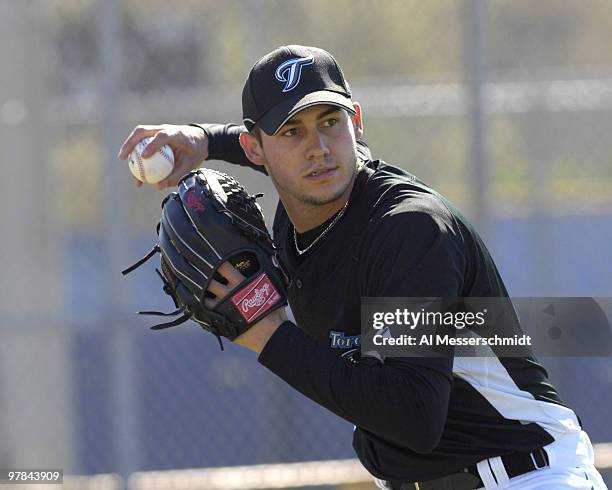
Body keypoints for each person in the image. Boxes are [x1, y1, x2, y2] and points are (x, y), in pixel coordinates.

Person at [118, 45, 607, 489]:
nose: (318, 148)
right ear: (255, 150)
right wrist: (203, 140)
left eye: (330, 121)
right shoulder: (300, 204)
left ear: (356, 122)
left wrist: (268, 335)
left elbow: (415, 417)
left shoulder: (410, 232)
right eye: (292, 130)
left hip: (525, 476)